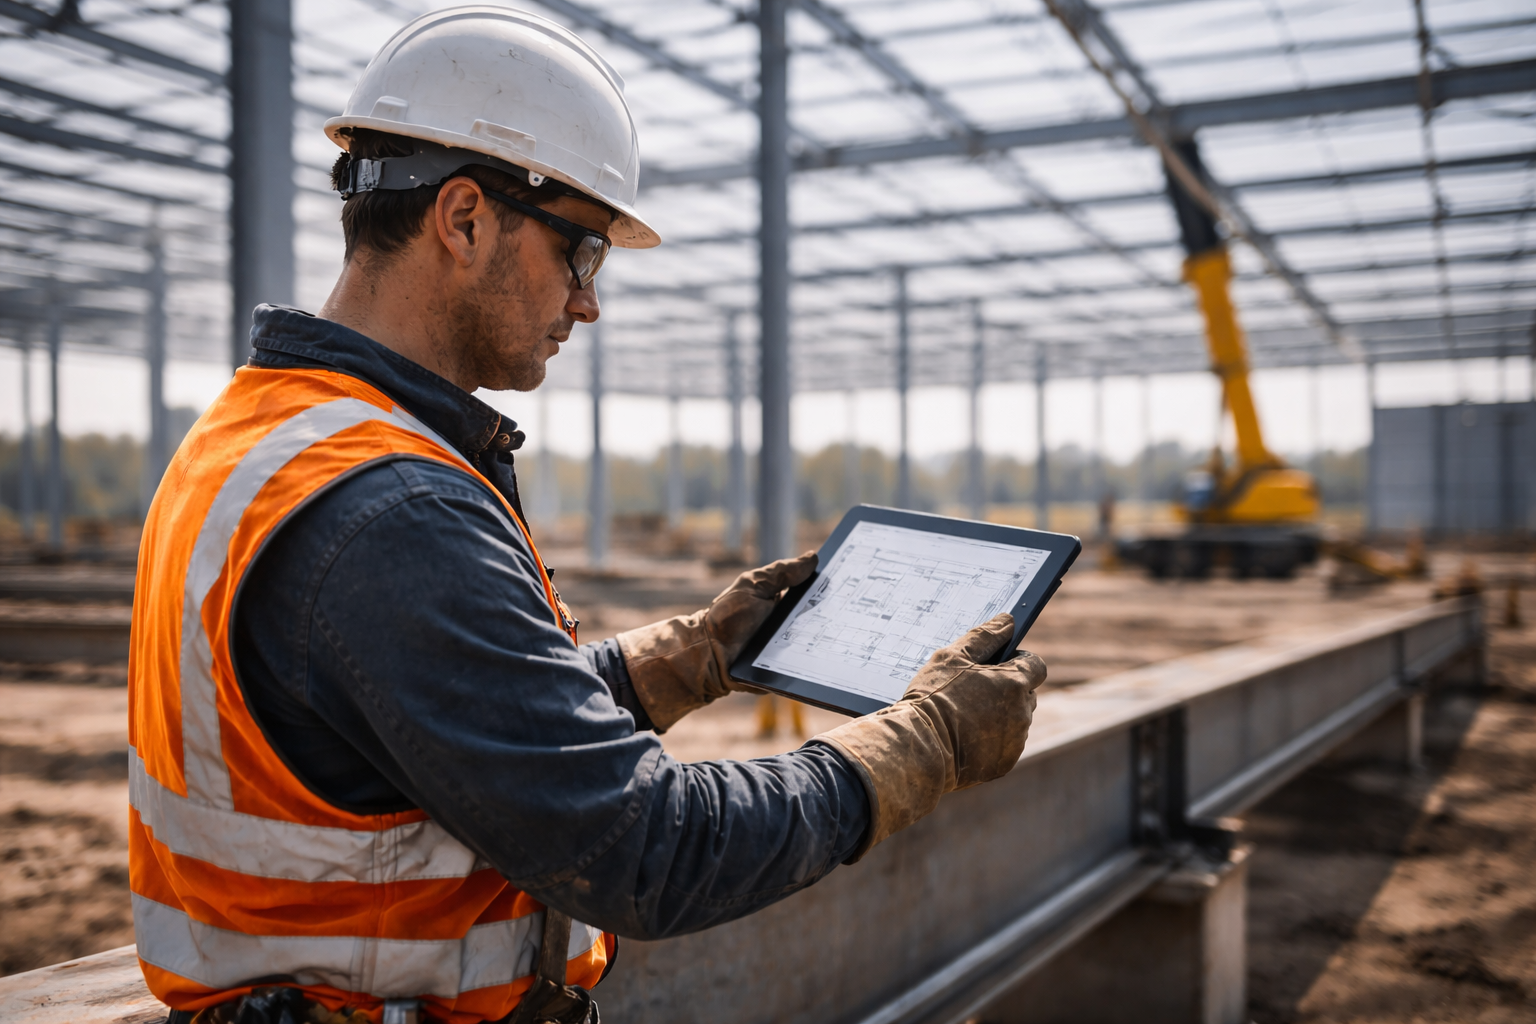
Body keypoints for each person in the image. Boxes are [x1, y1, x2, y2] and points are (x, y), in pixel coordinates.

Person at [126, 8, 1047, 1024]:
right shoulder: (391, 512)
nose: (589, 302)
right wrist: (923, 743)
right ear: (466, 218)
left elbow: (455, 719)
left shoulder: (268, 431)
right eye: (583, 253)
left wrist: (691, 653)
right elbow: (644, 847)